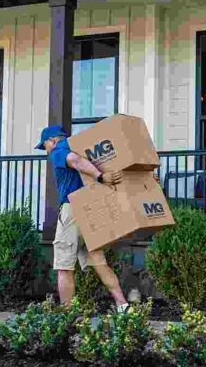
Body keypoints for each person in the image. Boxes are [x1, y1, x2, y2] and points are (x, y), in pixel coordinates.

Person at [36, 124, 135, 313]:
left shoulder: (60, 150)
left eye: (45, 146)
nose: (46, 151)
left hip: (72, 210)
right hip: (90, 211)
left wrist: (100, 177)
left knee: (64, 266)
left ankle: (67, 314)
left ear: (52, 140)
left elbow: (75, 160)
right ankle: (123, 306)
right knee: (100, 263)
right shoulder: (81, 149)